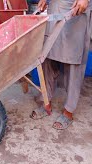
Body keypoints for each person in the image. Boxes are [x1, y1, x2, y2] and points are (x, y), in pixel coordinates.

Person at [30, 0, 92, 129]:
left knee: (74, 59)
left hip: (76, 6)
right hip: (56, 5)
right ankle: (46, 100)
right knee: (47, 54)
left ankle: (69, 110)